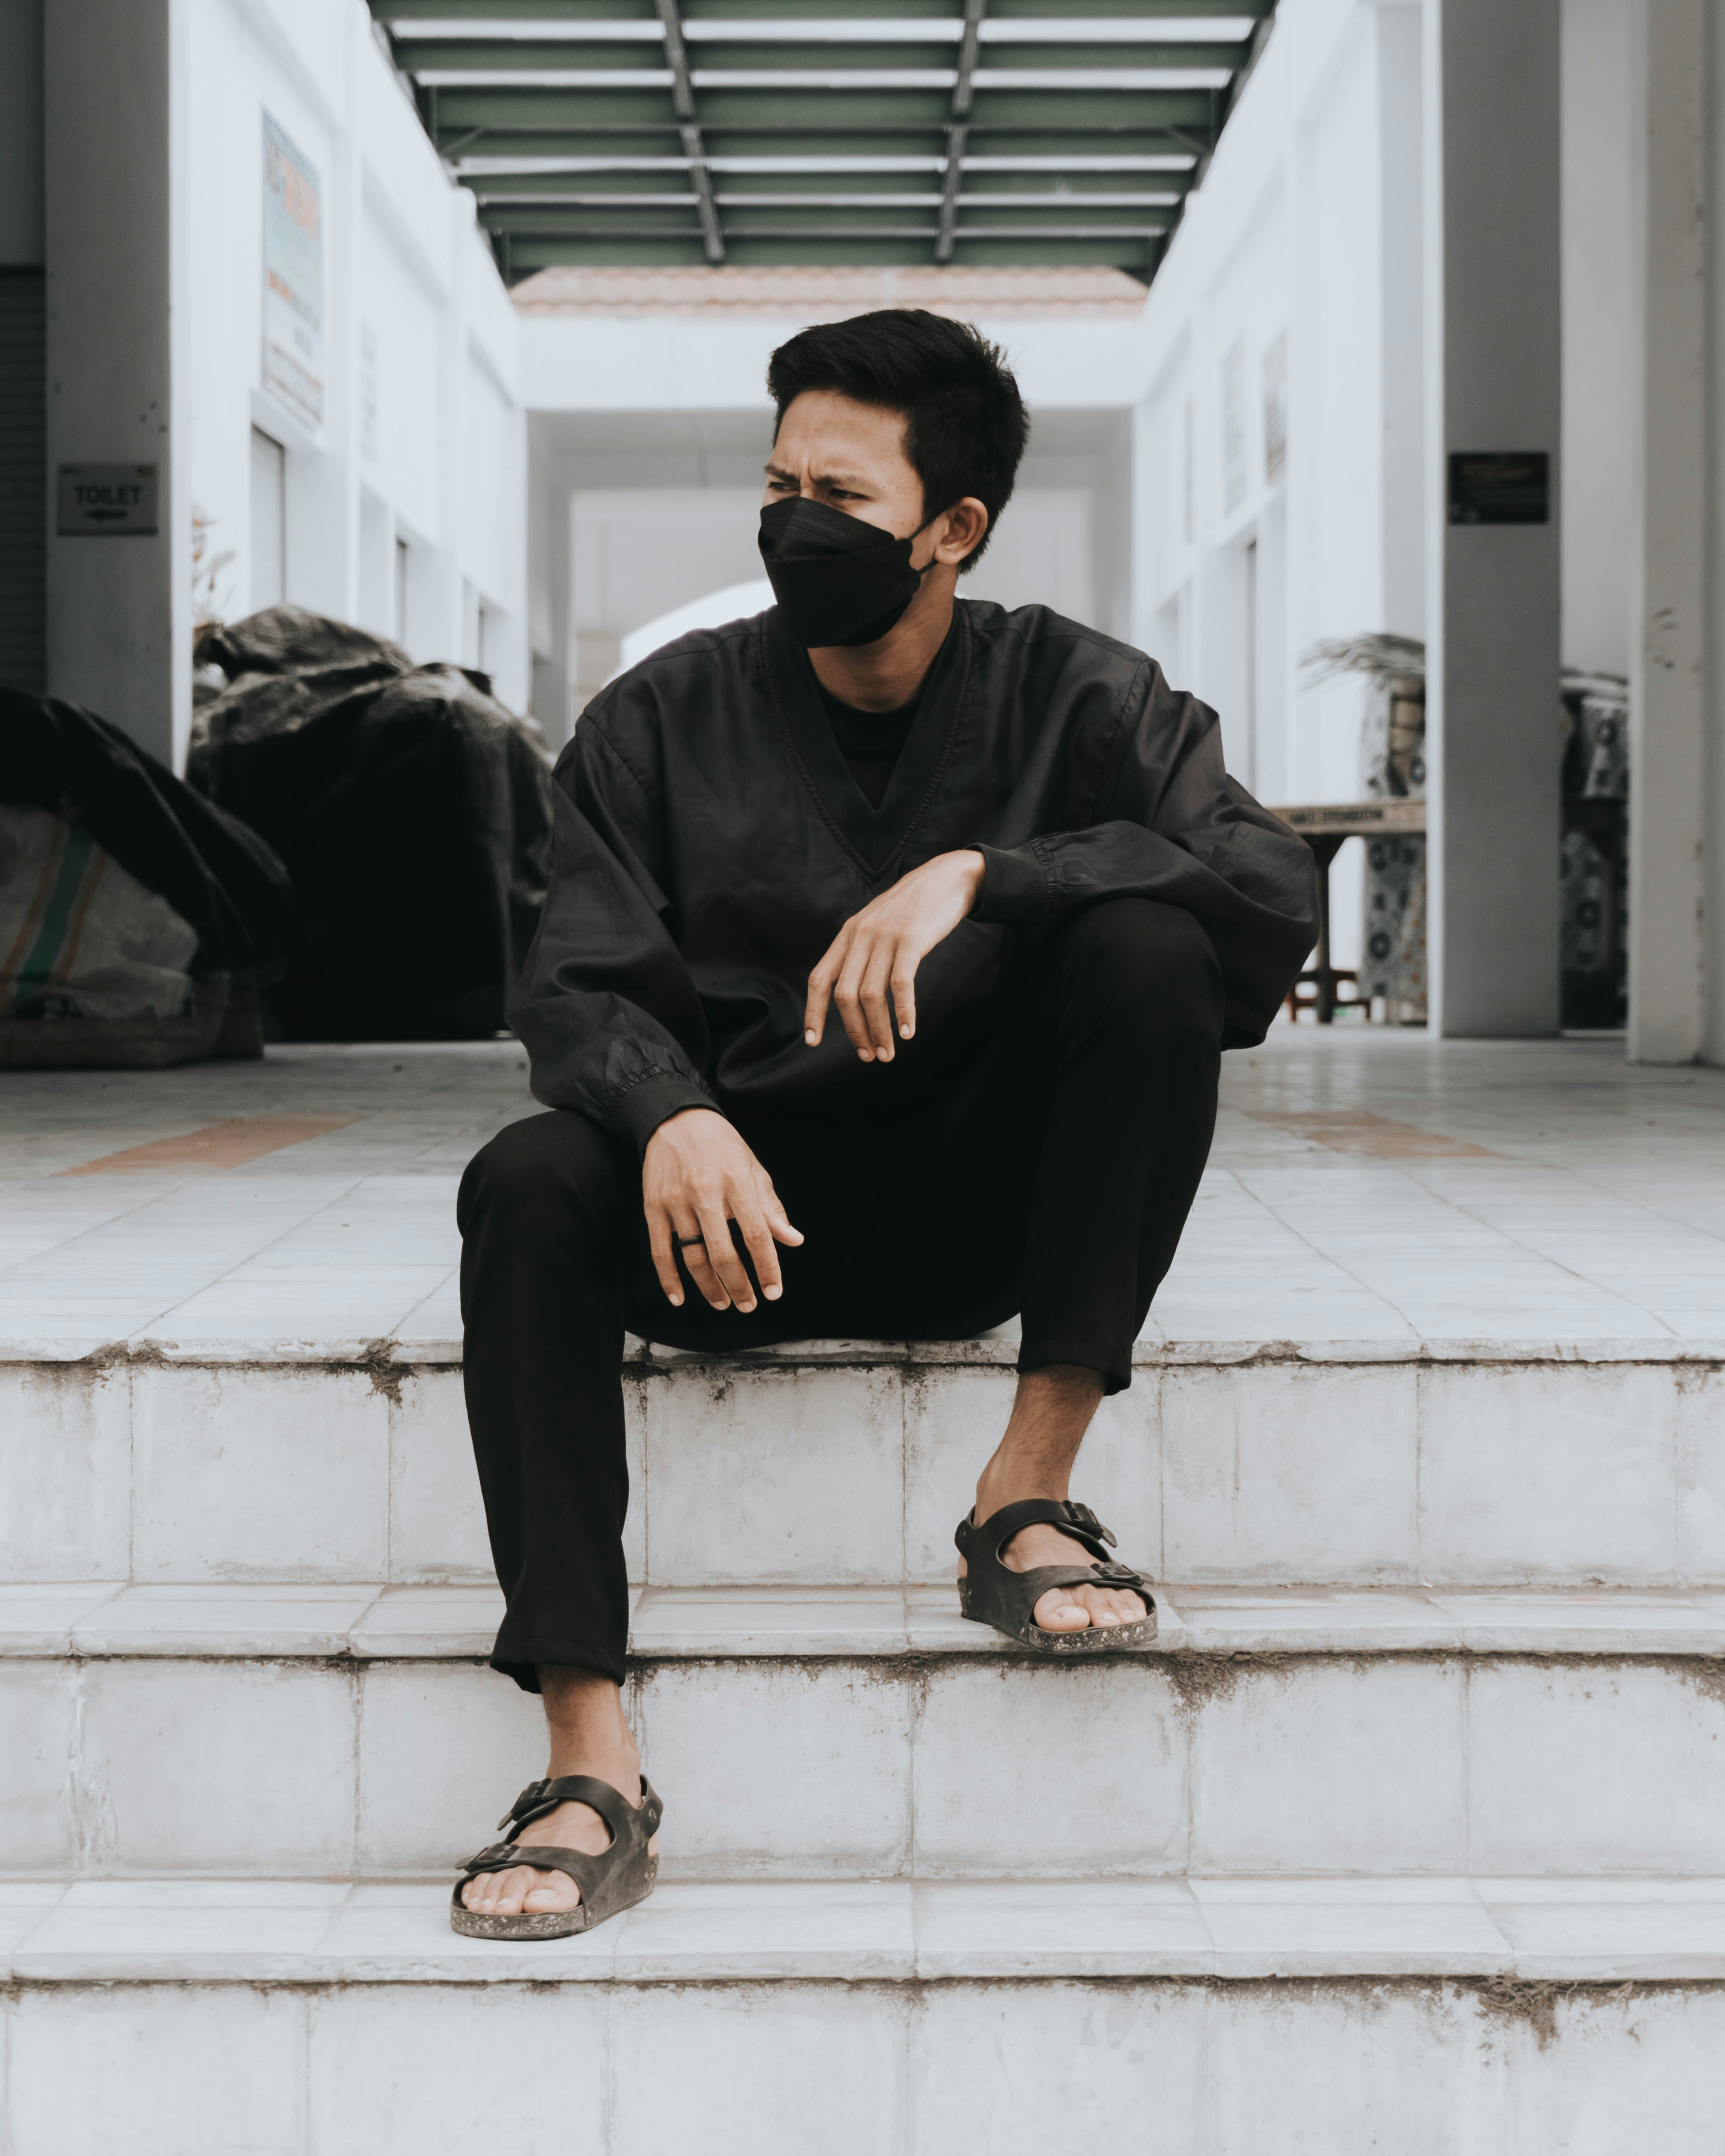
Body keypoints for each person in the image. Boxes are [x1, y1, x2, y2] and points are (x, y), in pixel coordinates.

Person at [449, 310, 1317, 1940]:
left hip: (970, 1215)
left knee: (1150, 947)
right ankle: (586, 1754)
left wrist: (998, 873)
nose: (796, 525)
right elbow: (571, 975)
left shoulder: (1080, 693)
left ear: (952, 527)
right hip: (721, 1233)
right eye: (779, 487)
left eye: (841, 498)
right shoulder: (657, 718)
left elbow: (1264, 887)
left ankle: (1023, 1500)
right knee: (528, 1173)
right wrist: (667, 1112)